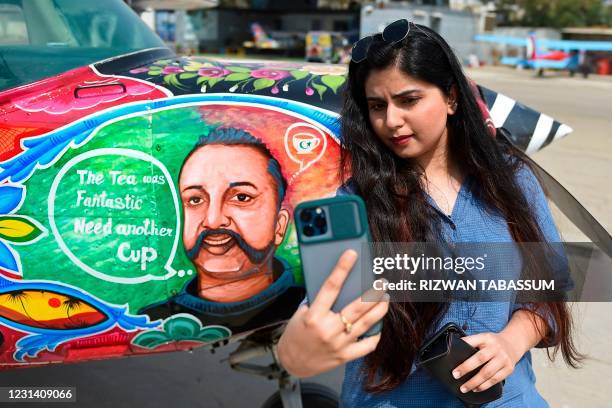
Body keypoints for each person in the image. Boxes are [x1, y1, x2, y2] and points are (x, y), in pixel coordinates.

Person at [277, 20, 580, 407]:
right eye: (377, 106)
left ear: (451, 97)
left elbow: (548, 290)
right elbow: (324, 311)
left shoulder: (512, 181)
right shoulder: (357, 203)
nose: (391, 121)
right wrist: (296, 349)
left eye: (409, 100)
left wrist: (510, 342)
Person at [140, 127, 304, 330]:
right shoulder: (150, 323)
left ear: (279, 225)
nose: (213, 220)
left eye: (241, 198)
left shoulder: (312, 310)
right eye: (195, 199)